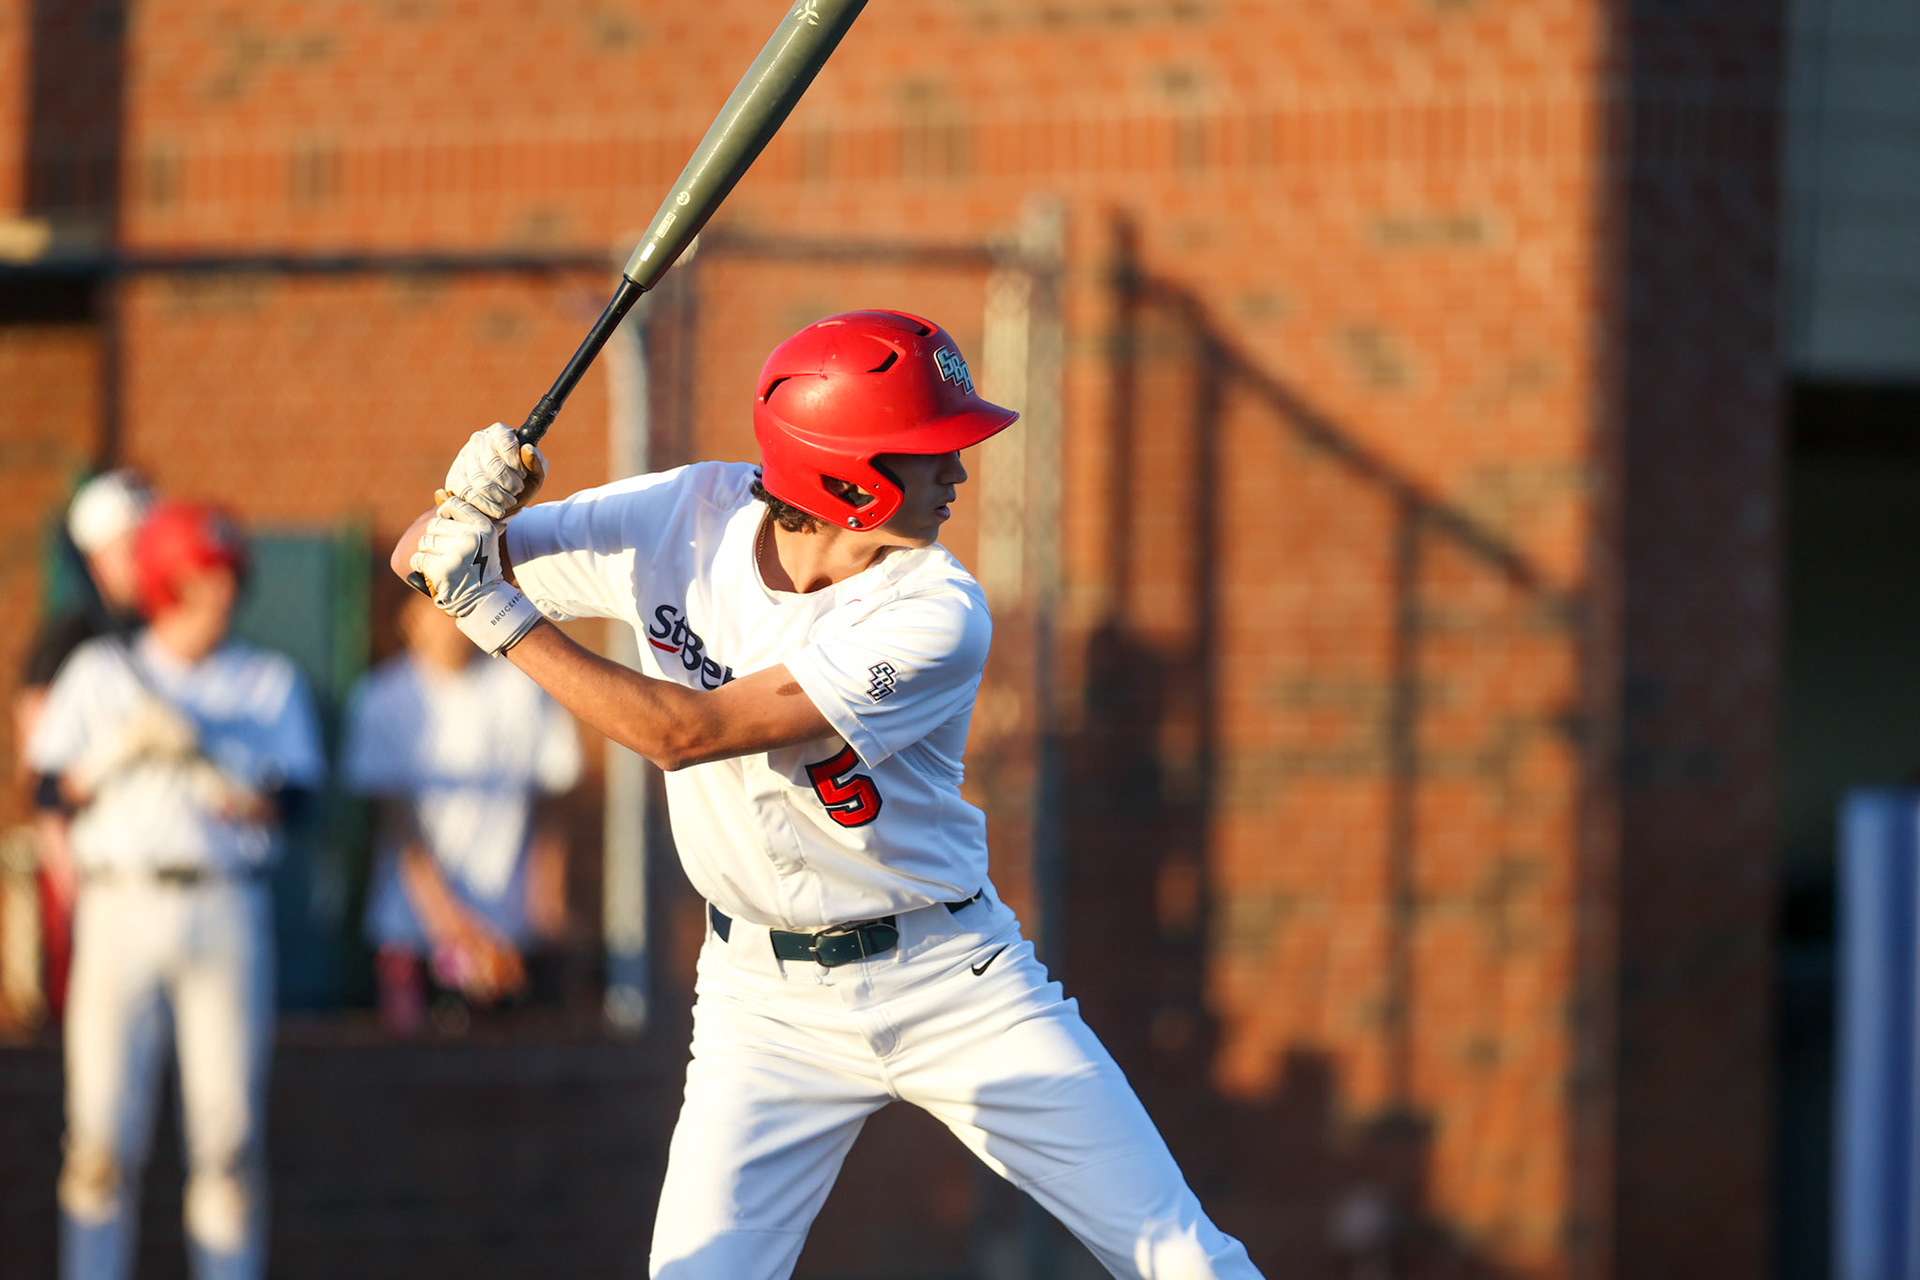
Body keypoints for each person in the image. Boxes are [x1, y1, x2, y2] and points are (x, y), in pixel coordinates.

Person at [397, 310, 1263, 1278]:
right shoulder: (684, 514)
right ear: (850, 480)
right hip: (760, 999)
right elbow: (421, 560)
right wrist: (466, 507)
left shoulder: (937, 608)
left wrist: (492, 609)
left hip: (945, 975)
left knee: (1180, 1252)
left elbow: (688, 733)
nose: (959, 473)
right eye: (932, 453)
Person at [26, 501, 326, 1280]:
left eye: (226, 576)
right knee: (98, 1139)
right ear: (166, 581)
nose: (219, 592)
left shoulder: (266, 680)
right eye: (201, 576)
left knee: (227, 1142)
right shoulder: (101, 674)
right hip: (120, 903)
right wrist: (121, 751)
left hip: (225, 902)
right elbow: (52, 792)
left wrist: (223, 771)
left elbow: (295, 800)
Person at [341, 591, 582, 1036]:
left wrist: (546, 901)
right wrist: (453, 928)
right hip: (411, 930)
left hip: (513, 929)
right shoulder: (380, 699)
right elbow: (399, 827)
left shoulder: (526, 691)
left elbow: (553, 803)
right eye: (433, 611)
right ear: (407, 619)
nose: (447, 624)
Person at [14, 470, 156, 1019]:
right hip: (93, 865)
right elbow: (41, 765)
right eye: (129, 547)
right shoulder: (67, 640)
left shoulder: (157, 629)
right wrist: (64, 865)